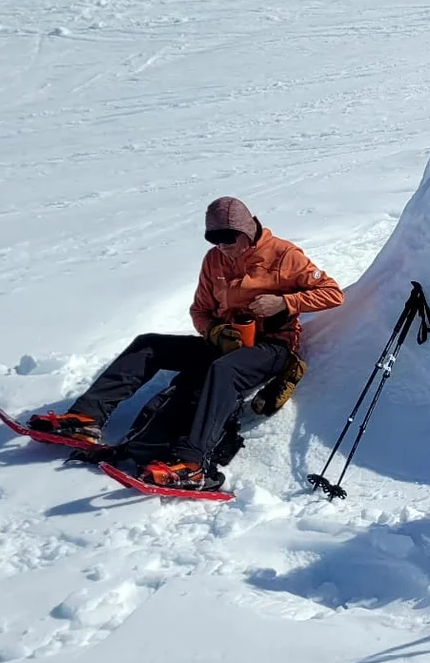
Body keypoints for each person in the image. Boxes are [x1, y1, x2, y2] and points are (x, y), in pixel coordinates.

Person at [28, 196, 344, 490]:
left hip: (272, 348)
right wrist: (215, 332)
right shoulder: (214, 260)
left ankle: (192, 463)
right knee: (148, 344)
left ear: (247, 231)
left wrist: (284, 303)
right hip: (225, 343)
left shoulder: (284, 255)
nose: (223, 247)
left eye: (229, 239)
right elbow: (199, 311)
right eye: (215, 240)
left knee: (223, 371)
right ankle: (86, 418)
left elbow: (332, 294)